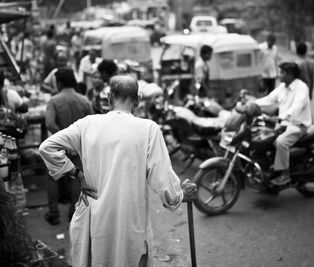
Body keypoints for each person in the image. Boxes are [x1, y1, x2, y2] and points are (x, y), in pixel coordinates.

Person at [39, 75, 197, 266]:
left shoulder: (87, 124)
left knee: (96, 258)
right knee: (131, 256)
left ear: (108, 98)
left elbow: (47, 147)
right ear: (137, 100)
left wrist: (76, 174)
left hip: (95, 217)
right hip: (130, 219)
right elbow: (161, 176)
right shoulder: (148, 129)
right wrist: (179, 195)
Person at [44, 67, 94, 225]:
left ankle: (54, 213)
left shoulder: (54, 100)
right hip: (79, 148)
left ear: (58, 83)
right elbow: (93, 125)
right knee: (77, 178)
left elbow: (50, 123)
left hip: (60, 148)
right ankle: (74, 213)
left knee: (52, 176)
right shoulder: (84, 100)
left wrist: (63, 141)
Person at [253, 62, 311, 185]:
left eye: (282, 73)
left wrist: (281, 118)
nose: (279, 75)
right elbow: (269, 99)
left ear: (290, 74)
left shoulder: (301, 87)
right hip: (283, 125)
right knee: (263, 136)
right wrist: (252, 103)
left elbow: (297, 106)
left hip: (297, 126)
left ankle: (285, 174)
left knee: (281, 142)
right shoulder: (282, 87)